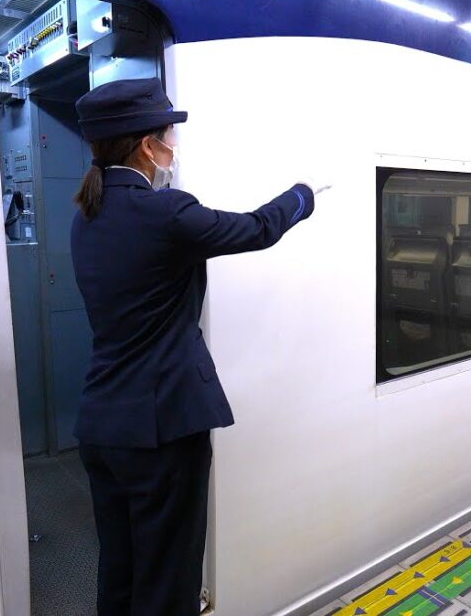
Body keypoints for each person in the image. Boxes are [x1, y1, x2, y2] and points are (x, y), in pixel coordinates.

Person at [69, 78, 327, 615]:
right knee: (168, 582)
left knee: (120, 573)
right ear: (147, 146)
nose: (172, 149)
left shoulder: (85, 219)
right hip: (163, 431)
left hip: (102, 427)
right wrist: (301, 197)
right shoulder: (165, 213)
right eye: (167, 137)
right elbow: (256, 229)